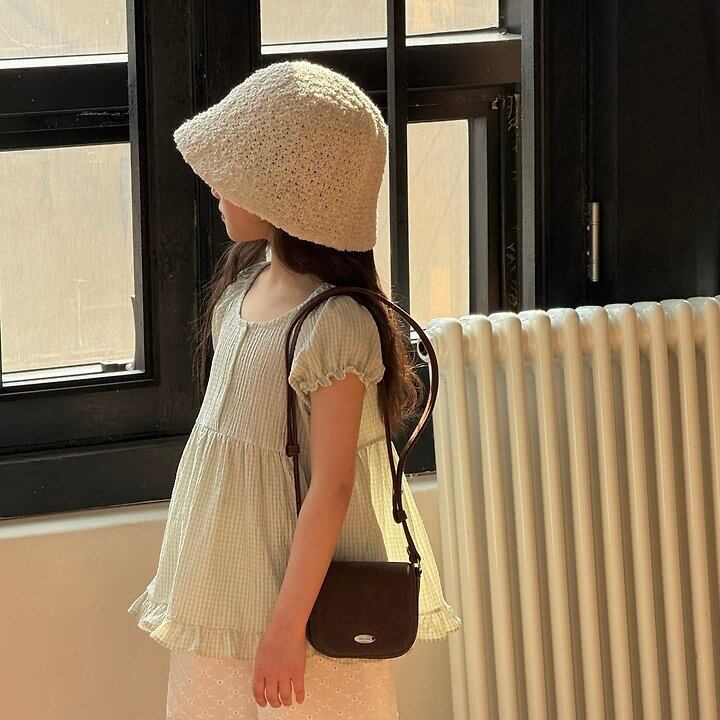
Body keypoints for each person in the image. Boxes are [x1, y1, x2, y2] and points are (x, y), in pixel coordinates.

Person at [127, 59, 462, 720]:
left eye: (235, 171)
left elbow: (332, 486)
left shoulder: (333, 325)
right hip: (226, 588)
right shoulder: (243, 289)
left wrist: (286, 629)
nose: (215, 185)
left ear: (284, 194)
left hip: (300, 608)